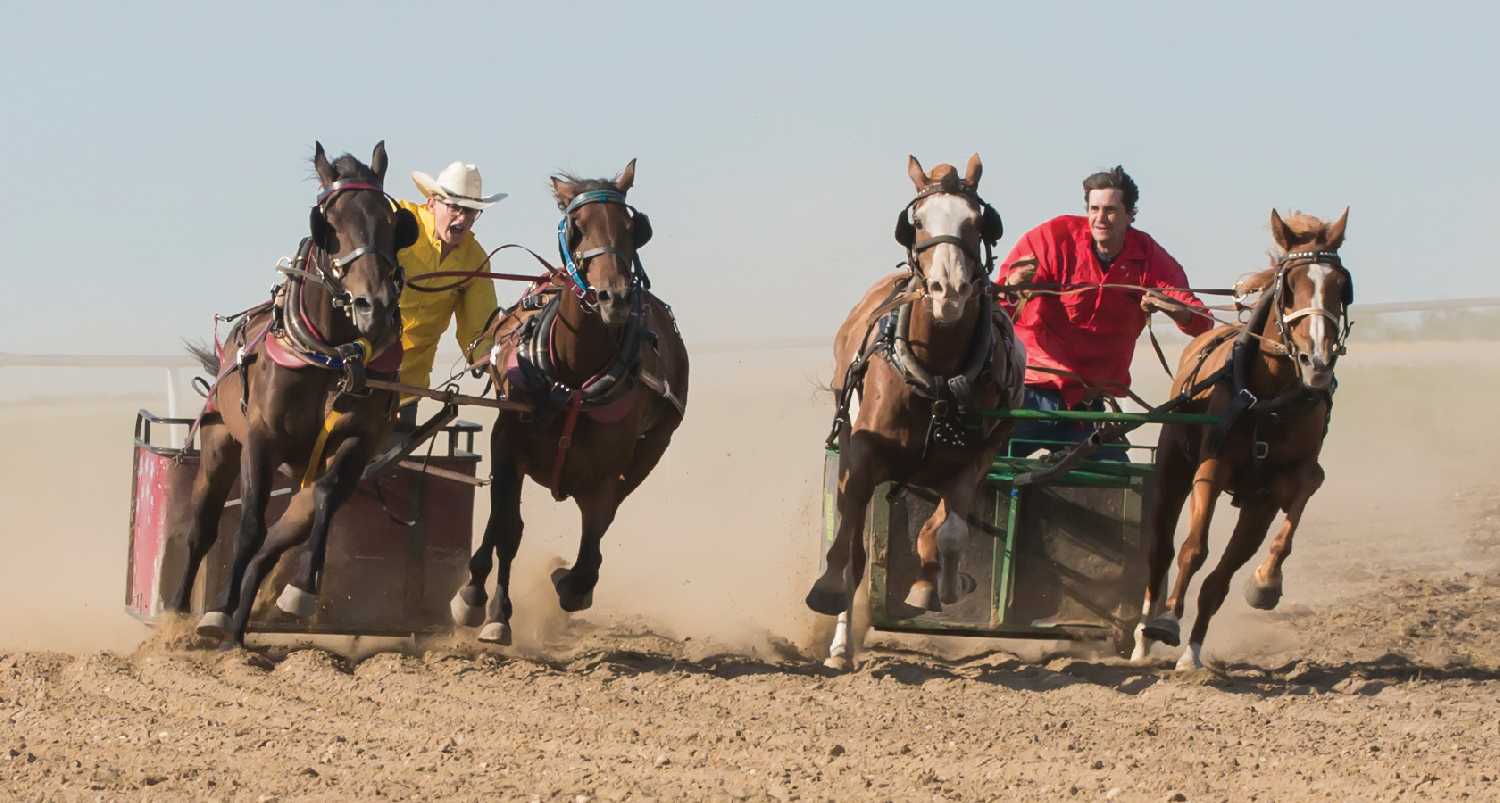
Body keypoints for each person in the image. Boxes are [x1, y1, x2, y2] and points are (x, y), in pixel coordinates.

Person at [996, 166, 1212, 459]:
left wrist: (1175, 310)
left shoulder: (1148, 257)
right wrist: (1011, 287)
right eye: (1094, 209)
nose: (1100, 218)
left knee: (1121, 485)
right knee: (982, 467)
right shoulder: (1050, 239)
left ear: (1130, 214)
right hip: (1031, 396)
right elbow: (997, 309)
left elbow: (1202, 322)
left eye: (1110, 210)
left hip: (1087, 408)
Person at [394, 161, 506, 428]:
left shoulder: (475, 260)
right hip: (355, 375)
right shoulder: (397, 221)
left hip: (408, 388)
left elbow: (479, 328)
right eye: (455, 207)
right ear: (432, 203)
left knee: (387, 469)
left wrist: (494, 360)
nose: (463, 218)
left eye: (471, 211)